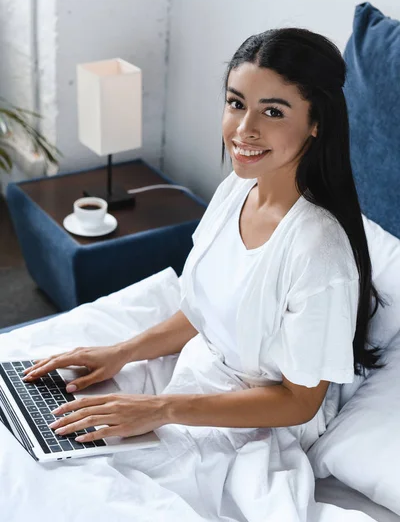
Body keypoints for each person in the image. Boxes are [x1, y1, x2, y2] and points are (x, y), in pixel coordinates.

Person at [18, 28, 384, 520]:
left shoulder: (317, 251)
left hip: (258, 417)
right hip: (200, 378)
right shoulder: (237, 188)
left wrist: (158, 410)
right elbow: (203, 310)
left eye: (273, 112)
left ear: (317, 122)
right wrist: (120, 353)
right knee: (29, 435)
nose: (243, 130)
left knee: (67, 494)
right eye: (237, 103)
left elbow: (299, 401)